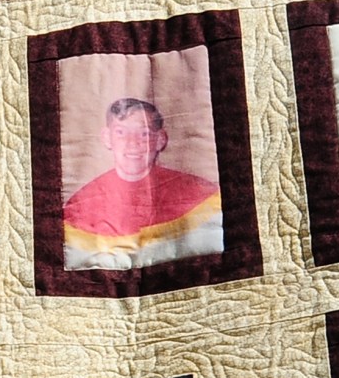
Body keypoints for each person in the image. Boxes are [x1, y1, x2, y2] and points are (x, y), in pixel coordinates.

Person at [61, 98, 223, 269]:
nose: (133, 143)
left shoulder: (199, 194)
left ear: (160, 139)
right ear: (107, 138)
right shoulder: (81, 205)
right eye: (121, 132)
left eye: (144, 133)